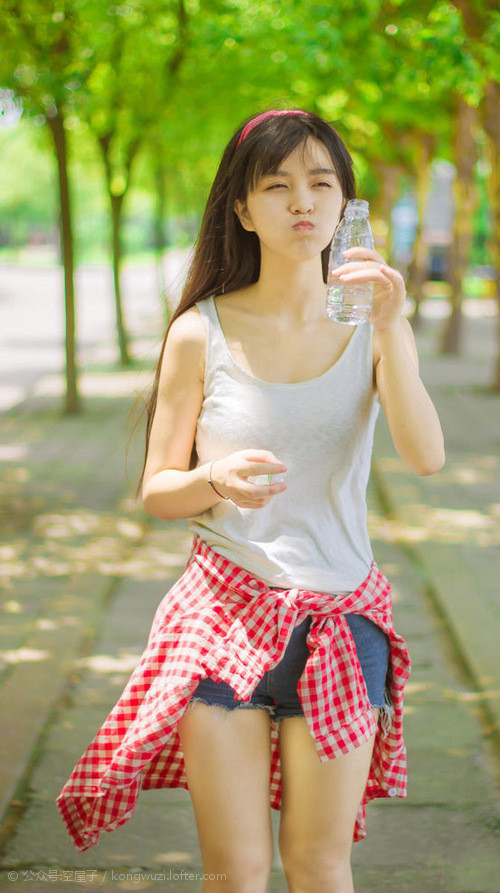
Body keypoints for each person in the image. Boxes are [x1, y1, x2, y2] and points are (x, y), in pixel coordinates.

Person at [56, 109, 445, 893]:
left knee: (318, 863)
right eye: (278, 185)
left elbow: (427, 456)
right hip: (224, 617)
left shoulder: (371, 326)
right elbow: (158, 492)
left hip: (342, 621)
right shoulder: (201, 332)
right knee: (234, 872)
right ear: (242, 208)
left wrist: (395, 328)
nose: (302, 202)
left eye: (320, 183)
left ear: (345, 205)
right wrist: (213, 482)